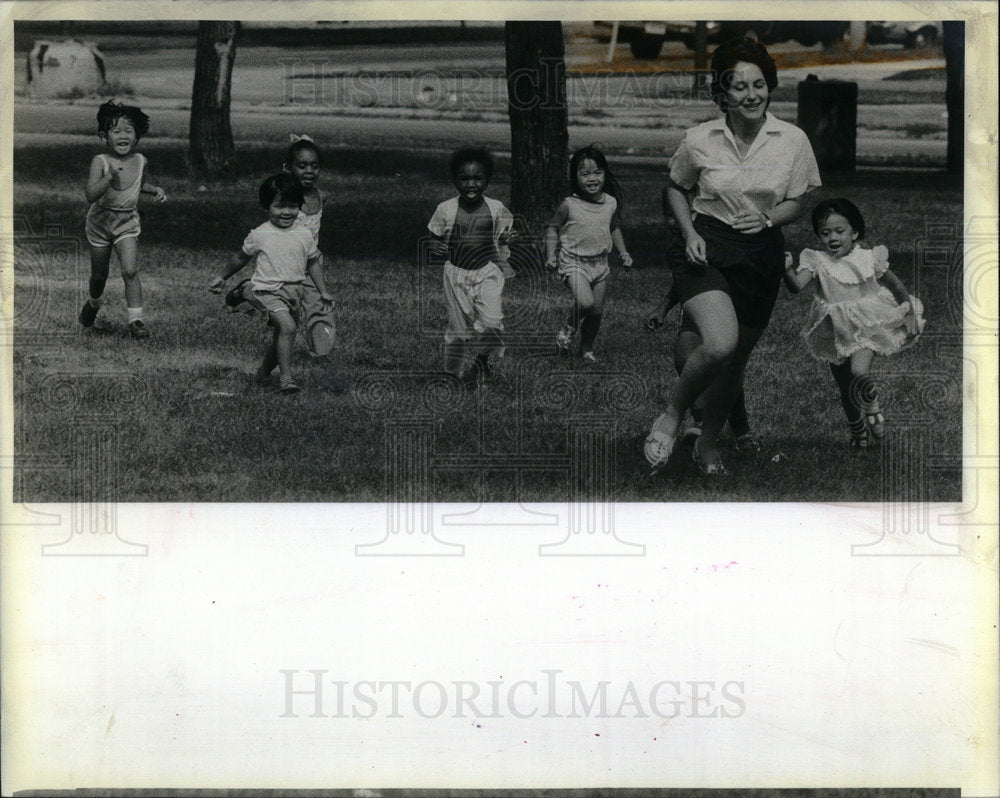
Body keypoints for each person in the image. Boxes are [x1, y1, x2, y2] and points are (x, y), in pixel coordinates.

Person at [645, 37, 821, 475]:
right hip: (706, 247)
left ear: (770, 86)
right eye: (739, 87)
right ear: (721, 94)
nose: (752, 96)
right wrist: (687, 233)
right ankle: (670, 416)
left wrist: (767, 219)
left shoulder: (793, 140)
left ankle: (707, 445)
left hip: (761, 255)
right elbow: (676, 187)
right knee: (720, 343)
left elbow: (797, 201)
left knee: (734, 362)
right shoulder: (699, 139)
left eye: (759, 85)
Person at [784, 198, 925, 447]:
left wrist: (909, 312)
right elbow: (796, 286)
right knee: (845, 385)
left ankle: (873, 409)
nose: (832, 238)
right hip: (835, 329)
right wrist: (785, 270)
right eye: (825, 233)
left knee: (859, 372)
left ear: (855, 232)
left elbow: (895, 285)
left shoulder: (869, 258)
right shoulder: (816, 260)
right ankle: (857, 431)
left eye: (840, 231)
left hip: (866, 324)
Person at [208, 173, 333, 395]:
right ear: (266, 206)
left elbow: (313, 263)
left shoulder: (304, 234)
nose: (286, 212)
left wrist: (323, 291)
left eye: (293, 206)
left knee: (281, 337)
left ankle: (264, 373)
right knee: (288, 328)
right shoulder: (261, 234)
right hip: (267, 291)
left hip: (294, 292)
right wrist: (222, 277)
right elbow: (241, 257)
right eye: (279, 206)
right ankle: (286, 379)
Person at [225, 134, 337, 357]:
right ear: (288, 168)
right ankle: (249, 291)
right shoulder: (285, 199)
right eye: (302, 166)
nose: (309, 171)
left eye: (314, 166)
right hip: (283, 263)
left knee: (318, 304)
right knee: (280, 304)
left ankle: (321, 351)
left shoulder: (320, 195)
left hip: (311, 261)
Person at [426, 146, 516, 389]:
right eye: (464, 179)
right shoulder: (446, 209)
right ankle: (452, 374)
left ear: (487, 180)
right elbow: (433, 235)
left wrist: (507, 240)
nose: (471, 184)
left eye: (477, 178)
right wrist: (435, 246)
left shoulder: (496, 208)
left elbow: (503, 234)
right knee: (457, 329)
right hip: (456, 274)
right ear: (455, 180)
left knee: (492, 322)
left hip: (487, 272)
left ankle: (482, 360)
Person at [80, 100, 167, 338]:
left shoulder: (140, 161)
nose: (123, 135)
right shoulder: (100, 162)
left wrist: (155, 189)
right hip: (100, 224)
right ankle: (94, 303)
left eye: (129, 131)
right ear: (103, 136)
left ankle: (136, 320)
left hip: (127, 223)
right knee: (99, 276)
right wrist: (107, 179)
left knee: (130, 270)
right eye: (116, 130)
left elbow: (139, 184)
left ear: (137, 137)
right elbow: (90, 195)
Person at [545, 145, 633, 362]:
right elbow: (552, 227)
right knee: (585, 302)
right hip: (574, 261)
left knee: (595, 312)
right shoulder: (570, 205)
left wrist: (624, 253)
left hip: (600, 264)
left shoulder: (610, 202)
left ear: (605, 173)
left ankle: (586, 350)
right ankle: (567, 331)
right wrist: (550, 255)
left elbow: (613, 228)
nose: (592, 179)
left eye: (597, 172)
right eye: (585, 174)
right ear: (575, 177)